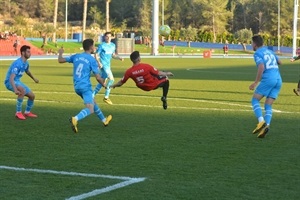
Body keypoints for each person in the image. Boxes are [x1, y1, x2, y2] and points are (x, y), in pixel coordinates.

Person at [58, 39, 112, 133]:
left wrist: (60, 53)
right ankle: (75, 118)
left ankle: (104, 120)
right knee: (90, 109)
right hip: (85, 87)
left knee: (93, 102)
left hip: (77, 87)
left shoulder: (76, 56)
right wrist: (105, 85)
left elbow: (60, 60)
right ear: (91, 47)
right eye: (94, 46)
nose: (94, 47)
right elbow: (98, 78)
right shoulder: (92, 60)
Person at [249, 35, 282, 138]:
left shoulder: (257, 53)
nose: (251, 45)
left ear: (254, 44)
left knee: (255, 100)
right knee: (268, 105)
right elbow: (280, 62)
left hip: (269, 79)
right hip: (278, 80)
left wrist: (255, 82)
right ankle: (266, 126)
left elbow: (261, 66)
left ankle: (261, 121)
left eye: (251, 43)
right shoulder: (270, 51)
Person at [4, 45, 39, 120]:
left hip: (17, 81)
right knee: (22, 90)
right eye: (28, 52)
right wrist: (15, 89)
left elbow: (27, 71)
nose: (30, 53)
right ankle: (18, 112)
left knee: (32, 96)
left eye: (30, 52)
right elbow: (11, 78)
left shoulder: (26, 63)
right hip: (9, 82)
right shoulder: (18, 63)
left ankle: (27, 112)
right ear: (23, 53)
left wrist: (34, 79)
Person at [93, 32, 124, 105]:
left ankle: (92, 95)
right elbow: (96, 54)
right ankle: (106, 97)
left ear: (111, 37)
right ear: (104, 37)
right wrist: (99, 62)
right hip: (103, 66)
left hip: (108, 65)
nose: (108, 38)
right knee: (111, 79)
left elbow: (113, 55)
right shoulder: (102, 45)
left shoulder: (113, 45)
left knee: (102, 82)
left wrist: (119, 58)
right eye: (107, 36)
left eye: (110, 36)